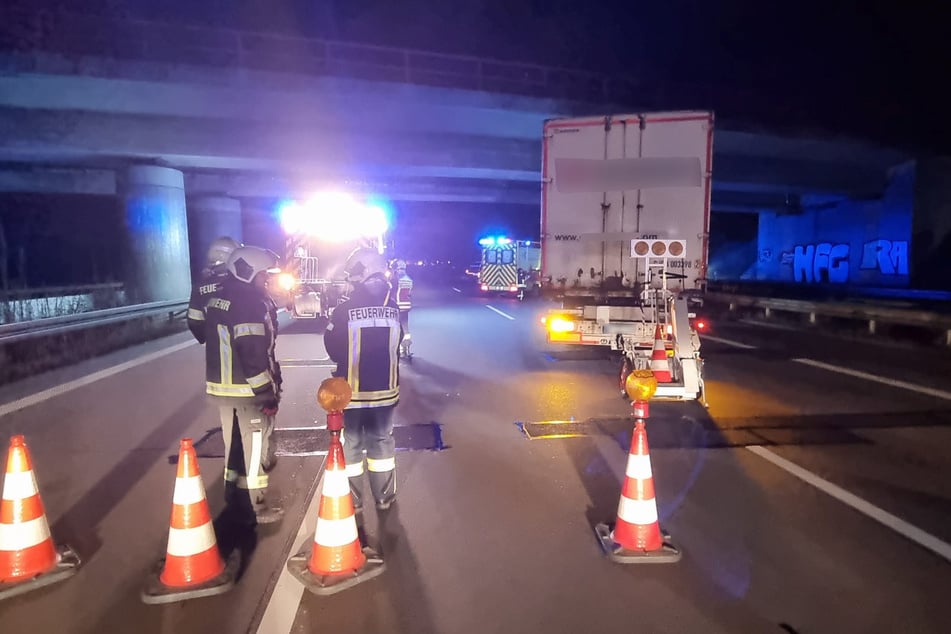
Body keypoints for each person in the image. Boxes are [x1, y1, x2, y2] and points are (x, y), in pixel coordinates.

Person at [204, 245, 283, 524]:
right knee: (254, 447)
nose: (267, 280)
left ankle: (234, 494)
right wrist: (266, 394)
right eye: (263, 275)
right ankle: (255, 506)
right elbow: (252, 352)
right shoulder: (249, 303)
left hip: (222, 389)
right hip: (247, 389)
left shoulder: (219, 297)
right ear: (247, 272)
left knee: (233, 445)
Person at [324, 248, 403, 512]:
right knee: (382, 441)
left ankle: (354, 502)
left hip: (352, 393)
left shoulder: (343, 311)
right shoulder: (392, 308)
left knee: (353, 445)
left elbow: (332, 347)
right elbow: (398, 343)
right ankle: (384, 497)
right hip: (385, 393)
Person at [187, 236, 240, 344]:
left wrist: (204, 337)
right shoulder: (240, 284)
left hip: (213, 348)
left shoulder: (200, 286)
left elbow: (194, 321)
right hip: (239, 346)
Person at [392, 259, 414, 357]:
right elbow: (409, 294)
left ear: (396, 269)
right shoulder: (408, 279)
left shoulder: (395, 279)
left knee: (397, 328)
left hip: (397, 307)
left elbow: (391, 292)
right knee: (405, 328)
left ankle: (399, 349)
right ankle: (407, 348)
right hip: (406, 307)